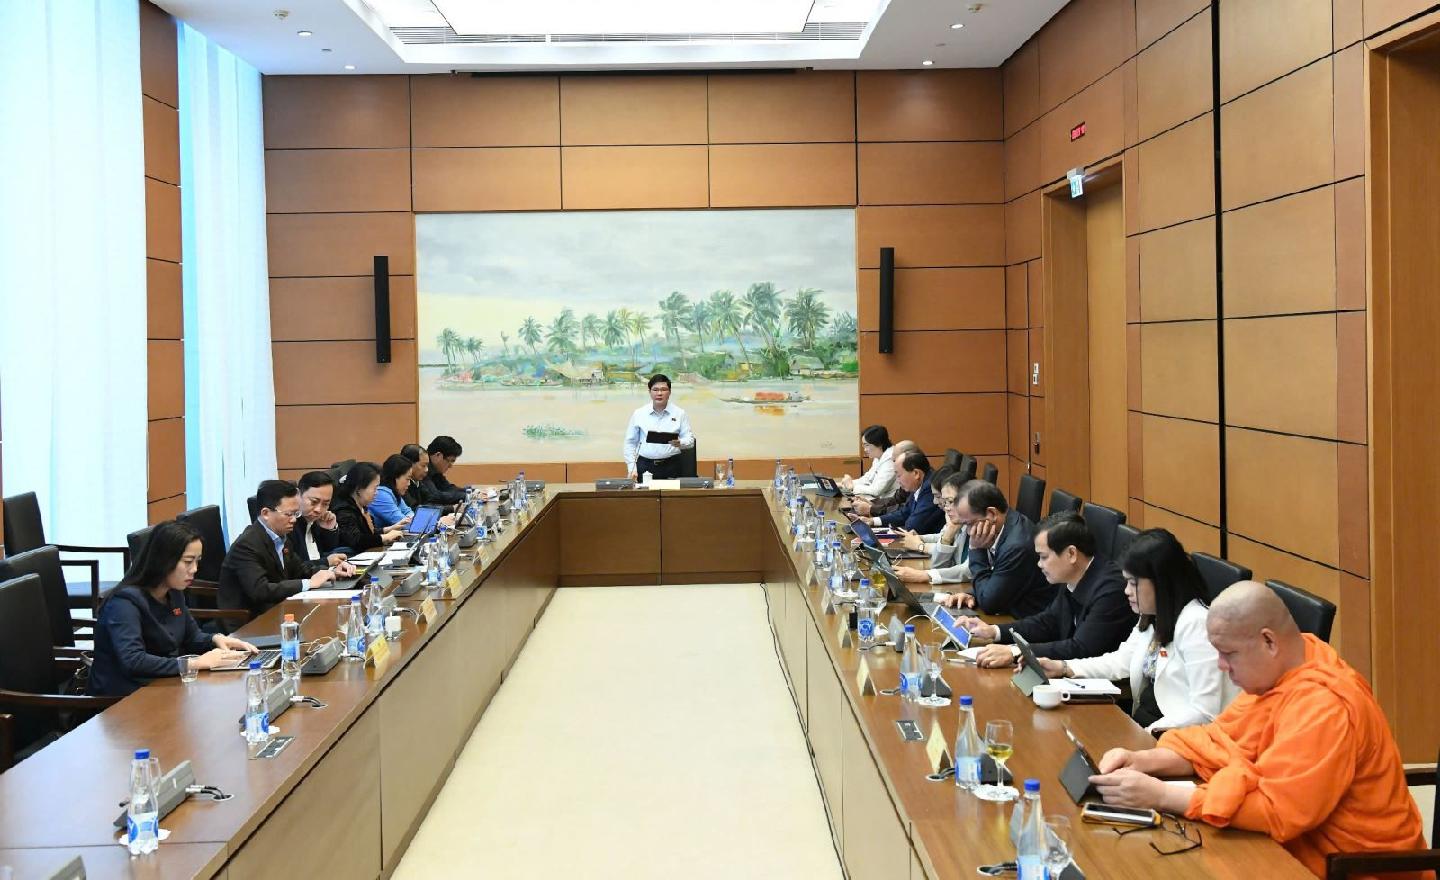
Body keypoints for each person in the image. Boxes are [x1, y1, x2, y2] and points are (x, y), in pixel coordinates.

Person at [1089, 582, 1429, 879]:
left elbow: (1278, 811)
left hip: (1353, 868)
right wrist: (1144, 761)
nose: (1221, 665)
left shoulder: (1325, 704)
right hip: (1282, 849)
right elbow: (1219, 741)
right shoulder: (1288, 665)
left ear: (1269, 641)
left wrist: (1163, 796)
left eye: (1228, 654)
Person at [1032, 528, 1237, 732]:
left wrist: (1146, 734)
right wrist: (1064, 667)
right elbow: (1121, 660)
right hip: (1145, 726)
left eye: (1133, 583)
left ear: (1160, 581)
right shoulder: (1153, 615)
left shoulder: (1197, 625)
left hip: (1174, 736)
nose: (1126, 591)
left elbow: (1204, 712)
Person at [90, 520, 258, 696]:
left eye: (197, 561)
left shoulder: (174, 592)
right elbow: (134, 661)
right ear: (163, 560)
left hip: (163, 686)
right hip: (123, 698)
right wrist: (196, 663)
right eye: (188, 561)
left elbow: (192, 637)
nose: (194, 569)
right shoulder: (124, 602)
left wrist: (216, 639)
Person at [958, 511, 1134, 667]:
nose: (1039, 564)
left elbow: (1082, 648)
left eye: (1043, 557)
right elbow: (1048, 622)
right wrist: (994, 631)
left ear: (1071, 554)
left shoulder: (1111, 590)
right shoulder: (1073, 574)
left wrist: (1015, 652)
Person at [219, 479, 340, 622]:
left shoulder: (281, 537)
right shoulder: (247, 545)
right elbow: (260, 590)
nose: (294, 520)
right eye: (289, 514)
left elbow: (300, 570)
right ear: (265, 513)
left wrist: (332, 571)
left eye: (296, 514)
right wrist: (308, 583)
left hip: (278, 610)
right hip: (249, 620)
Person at [937, 480, 1054, 618]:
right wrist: (972, 595)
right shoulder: (1006, 524)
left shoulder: (1016, 546)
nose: (968, 532)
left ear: (991, 514)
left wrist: (976, 550)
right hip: (1011, 610)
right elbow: (1000, 580)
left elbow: (990, 604)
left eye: (969, 524)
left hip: (1028, 621)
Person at [894, 470, 973, 586]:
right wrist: (946, 536)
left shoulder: (979, 527)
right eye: (945, 502)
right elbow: (938, 566)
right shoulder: (958, 523)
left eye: (950, 501)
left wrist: (923, 574)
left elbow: (970, 569)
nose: (946, 507)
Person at [623, 374, 694, 481]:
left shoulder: (680, 413)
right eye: (655, 390)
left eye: (663, 389)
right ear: (650, 392)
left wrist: (680, 443)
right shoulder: (639, 414)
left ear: (669, 392)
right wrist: (631, 467)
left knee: (672, 492)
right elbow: (630, 443)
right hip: (645, 466)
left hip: (672, 465)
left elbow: (690, 440)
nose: (659, 393)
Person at [864, 449, 944, 534]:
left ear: (916, 473)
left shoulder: (930, 488)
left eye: (899, 475)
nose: (897, 481)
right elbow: (904, 513)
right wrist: (873, 521)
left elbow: (913, 526)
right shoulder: (919, 484)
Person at [334, 461, 408, 552]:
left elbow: (369, 533)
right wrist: (384, 537)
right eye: (375, 488)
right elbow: (356, 540)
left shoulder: (361, 505)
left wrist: (390, 529)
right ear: (359, 488)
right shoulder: (344, 511)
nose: (377, 493)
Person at [288, 470, 351, 567]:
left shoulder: (314, 521)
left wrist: (328, 530)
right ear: (298, 495)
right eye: (314, 502)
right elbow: (293, 568)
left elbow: (324, 551)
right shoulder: (288, 525)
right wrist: (326, 562)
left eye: (325, 504)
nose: (319, 509)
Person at [848, 439, 916, 517]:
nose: (893, 464)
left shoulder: (924, 487)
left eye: (894, 460)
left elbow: (903, 511)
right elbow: (896, 500)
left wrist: (871, 509)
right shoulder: (909, 479)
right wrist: (871, 503)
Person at [841, 425, 896, 498]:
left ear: (879, 444)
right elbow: (867, 479)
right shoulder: (879, 455)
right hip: (880, 500)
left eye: (867, 445)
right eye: (864, 445)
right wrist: (845, 484)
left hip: (890, 502)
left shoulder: (891, 459)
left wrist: (852, 486)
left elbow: (876, 491)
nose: (865, 449)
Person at [369, 454, 418, 530]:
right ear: (395, 477)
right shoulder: (380, 495)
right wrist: (418, 523)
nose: (409, 484)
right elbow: (401, 522)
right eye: (407, 479)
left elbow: (408, 512)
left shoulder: (393, 492)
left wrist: (415, 521)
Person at [419, 435, 466, 506]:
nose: (450, 466)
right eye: (450, 461)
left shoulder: (435, 470)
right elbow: (436, 496)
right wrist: (466, 496)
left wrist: (471, 492)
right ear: (438, 455)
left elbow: (447, 488)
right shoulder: (423, 470)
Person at [400, 443, 429, 510]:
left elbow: (431, 502)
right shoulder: (401, 484)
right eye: (423, 465)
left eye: (427, 466)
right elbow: (414, 508)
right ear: (409, 464)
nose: (427, 470)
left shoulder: (419, 481)